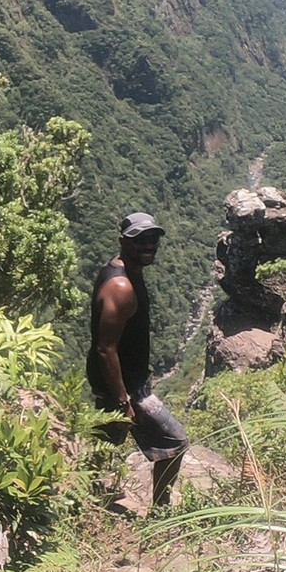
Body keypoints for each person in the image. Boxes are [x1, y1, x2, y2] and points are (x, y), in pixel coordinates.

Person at [87, 212, 189, 507]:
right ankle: (159, 509)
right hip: (127, 388)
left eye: (153, 239)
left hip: (122, 383)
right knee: (175, 442)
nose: (149, 245)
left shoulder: (122, 269)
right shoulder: (121, 287)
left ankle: (83, 494)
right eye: (140, 239)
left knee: (104, 441)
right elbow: (106, 348)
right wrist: (123, 400)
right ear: (123, 241)